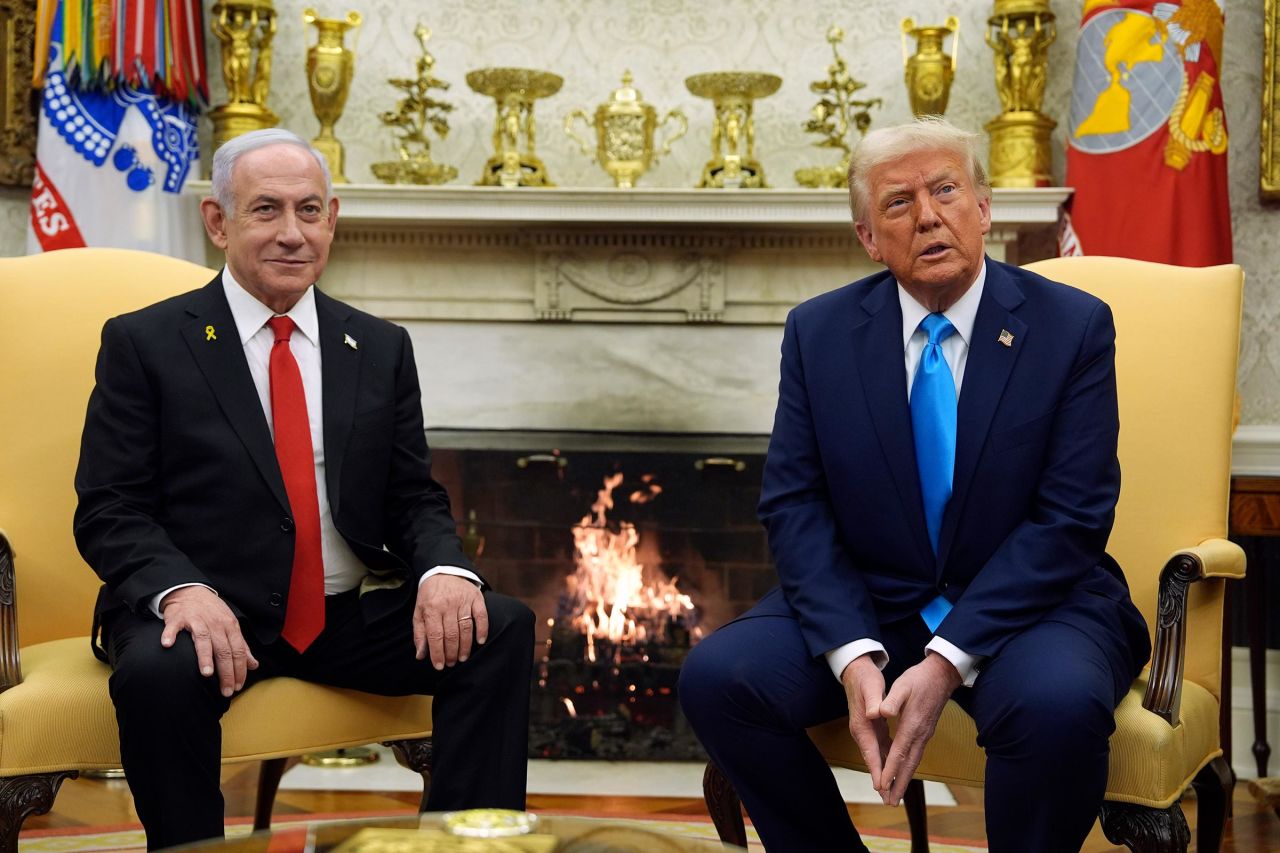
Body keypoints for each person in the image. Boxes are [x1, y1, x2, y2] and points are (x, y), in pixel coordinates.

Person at [678, 117, 1150, 853]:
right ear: (868, 236)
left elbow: (1072, 517)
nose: (928, 215)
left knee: (1055, 704)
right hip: (880, 598)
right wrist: (851, 651)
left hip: (1035, 602)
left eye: (946, 191)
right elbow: (795, 503)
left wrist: (945, 659)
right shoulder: (819, 332)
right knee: (718, 677)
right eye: (898, 203)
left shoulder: (1071, 326)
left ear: (984, 207)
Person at [74, 128, 534, 850]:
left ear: (333, 219)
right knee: (157, 675)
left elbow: (411, 494)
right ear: (218, 221)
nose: (292, 233)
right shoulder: (148, 341)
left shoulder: (379, 346)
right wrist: (180, 590)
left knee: (496, 627)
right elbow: (110, 505)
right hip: (205, 609)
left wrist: (445, 570)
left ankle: (462, 844)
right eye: (266, 210)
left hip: (338, 615)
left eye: (310, 210)